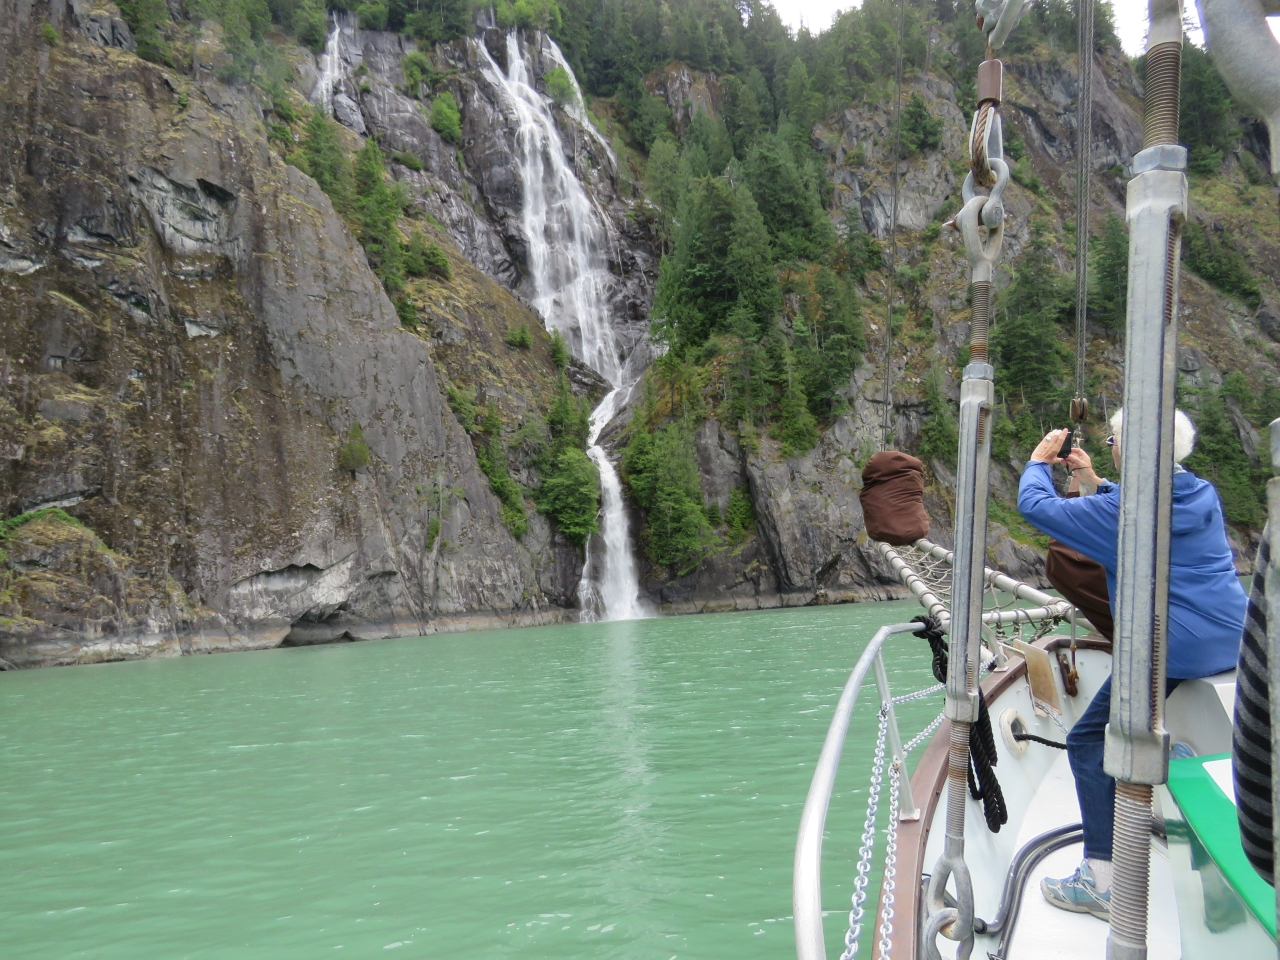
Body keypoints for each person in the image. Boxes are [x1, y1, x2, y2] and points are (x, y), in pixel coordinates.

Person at [1017, 409, 1246, 919]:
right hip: (1232, 638)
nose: (1111, 445)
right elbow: (1144, 500)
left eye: (1114, 440)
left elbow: (1035, 506)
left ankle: (1101, 880)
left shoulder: (1126, 512)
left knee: (1088, 740)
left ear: (1132, 447)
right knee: (1144, 717)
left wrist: (1038, 463)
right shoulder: (1200, 491)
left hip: (1173, 648)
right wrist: (1093, 480)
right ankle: (1175, 763)